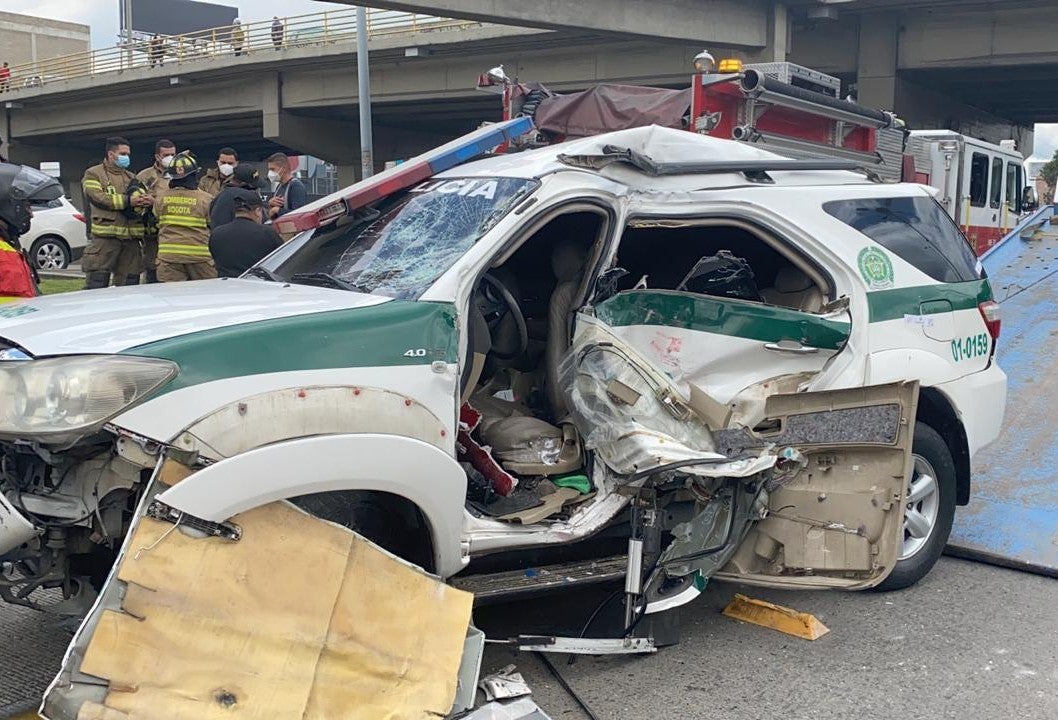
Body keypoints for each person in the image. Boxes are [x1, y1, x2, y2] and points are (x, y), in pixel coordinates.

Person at [81, 137, 152, 289]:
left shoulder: (131, 177)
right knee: (97, 281)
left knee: (130, 282)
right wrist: (128, 201)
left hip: (131, 239)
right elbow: (98, 197)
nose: (126, 157)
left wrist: (145, 201)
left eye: (128, 154)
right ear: (111, 154)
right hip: (105, 238)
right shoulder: (93, 174)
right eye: (123, 153)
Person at [0, 163, 61, 302]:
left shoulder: (9, 245)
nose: (31, 214)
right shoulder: (4, 252)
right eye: (26, 206)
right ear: (7, 206)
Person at [154, 151, 215, 282]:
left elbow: (156, 218)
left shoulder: (161, 198)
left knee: (171, 299)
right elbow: (213, 224)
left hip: (169, 257)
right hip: (199, 257)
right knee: (206, 297)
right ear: (194, 174)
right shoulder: (206, 199)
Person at [209, 189, 281, 278]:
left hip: (226, 286)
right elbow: (282, 257)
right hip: (256, 286)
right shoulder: (267, 233)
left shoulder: (217, 234)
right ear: (258, 211)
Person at [135, 139, 176, 283]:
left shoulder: (180, 173)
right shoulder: (145, 176)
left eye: (173, 154)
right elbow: (137, 199)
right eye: (166, 155)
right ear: (157, 156)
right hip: (153, 231)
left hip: (174, 229)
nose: (170, 158)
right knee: (152, 265)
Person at [209, 163, 266, 229]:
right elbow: (261, 222)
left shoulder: (219, 196)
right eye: (254, 187)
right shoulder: (247, 198)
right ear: (243, 184)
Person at [266, 152, 307, 219]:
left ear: (283, 168)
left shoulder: (296, 186)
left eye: (272, 169)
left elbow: (298, 214)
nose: (270, 173)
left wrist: (277, 210)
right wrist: (271, 204)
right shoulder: (279, 186)